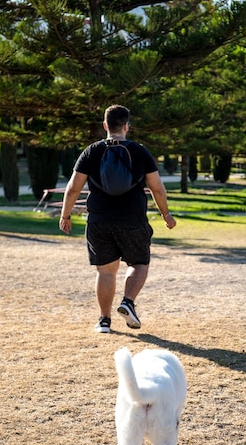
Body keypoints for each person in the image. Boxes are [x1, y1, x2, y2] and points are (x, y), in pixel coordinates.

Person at [59, 104, 176, 333]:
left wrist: (65, 215)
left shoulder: (91, 151)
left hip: (99, 220)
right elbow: (158, 189)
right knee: (139, 263)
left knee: (105, 271)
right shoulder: (139, 151)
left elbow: (73, 188)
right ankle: (128, 302)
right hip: (132, 219)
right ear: (126, 126)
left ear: (105, 126)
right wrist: (166, 214)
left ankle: (104, 320)